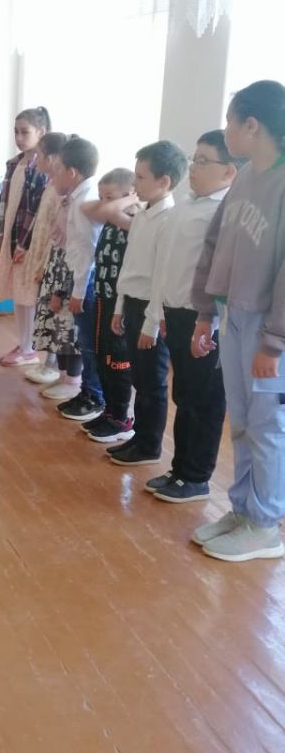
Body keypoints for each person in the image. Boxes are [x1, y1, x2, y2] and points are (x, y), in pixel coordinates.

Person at [191, 81, 285, 561]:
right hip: (233, 314)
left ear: (252, 125)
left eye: (230, 121)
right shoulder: (245, 177)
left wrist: (274, 342)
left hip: (270, 327)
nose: (225, 129)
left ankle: (265, 524)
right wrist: (205, 311)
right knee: (243, 421)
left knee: (268, 426)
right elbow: (215, 244)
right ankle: (243, 510)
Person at [141, 133, 242, 503]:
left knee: (204, 400)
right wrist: (161, 311)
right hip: (177, 313)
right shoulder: (187, 204)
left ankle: (196, 477)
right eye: (193, 159)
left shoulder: (224, 210)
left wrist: (209, 320)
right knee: (184, 395)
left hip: (204, 319)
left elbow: (221, 272)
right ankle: (180, 468)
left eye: (203, 161)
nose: (194, 168)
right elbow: (168, 264)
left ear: (229, 171)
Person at [107, 141, 189, 467]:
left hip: (150, 309)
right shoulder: (142, 214)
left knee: (152, 381)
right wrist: (118, 307)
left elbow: (162, 276)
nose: (134, 183)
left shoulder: (169, 219)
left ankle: (149, 445)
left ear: (164, 181)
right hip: (131, 302)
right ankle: (139, 437)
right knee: (138, 378)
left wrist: (151, 323)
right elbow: (129, 265)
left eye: (141, 177)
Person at [78, 169, 138, 444]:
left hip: (121, 303)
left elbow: (105, 211)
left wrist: (130, 199)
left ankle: (122, 418)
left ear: (130, 194)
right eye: (101, 196)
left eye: (109, 197)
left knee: (118, 362)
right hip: (103, 295)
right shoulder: (113, 215)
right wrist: (113, 201)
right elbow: (85, 208)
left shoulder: (134, 219)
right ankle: (110, 411)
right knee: (103, 357)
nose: (103, 203)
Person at [50, 137, 103, 424]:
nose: (53, 174)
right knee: (84, 340)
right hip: (79, 278)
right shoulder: (78, 197)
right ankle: (87, 392)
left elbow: (88, 251)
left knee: (89, 343)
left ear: (72, 173)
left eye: (57, 169)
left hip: (86, 282)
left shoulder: (83, 202)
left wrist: (79, 291)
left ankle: (93, 396)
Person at [0, 106, 50, 362]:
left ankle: (31, 348)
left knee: (28, 293)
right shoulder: (14, 164)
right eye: (16, 131)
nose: (18, 137)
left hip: (27, 242)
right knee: (18, 291)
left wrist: (24, 245)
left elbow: (35, 211)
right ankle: (24, 344)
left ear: (41, 132)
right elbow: (3, 203)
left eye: (25, 132)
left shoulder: (42, 168)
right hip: (11, 237)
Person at [21, 132, 67, 385]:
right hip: (41, 256)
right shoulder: (50, 184)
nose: (35, 158)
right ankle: (47, 361)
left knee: (53, 313)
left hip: (52, 262)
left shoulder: (60, 191)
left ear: (51, 158)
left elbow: (56, 234)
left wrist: (45, 265)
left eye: (39, 154)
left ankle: (53, 364)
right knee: (44, 311)